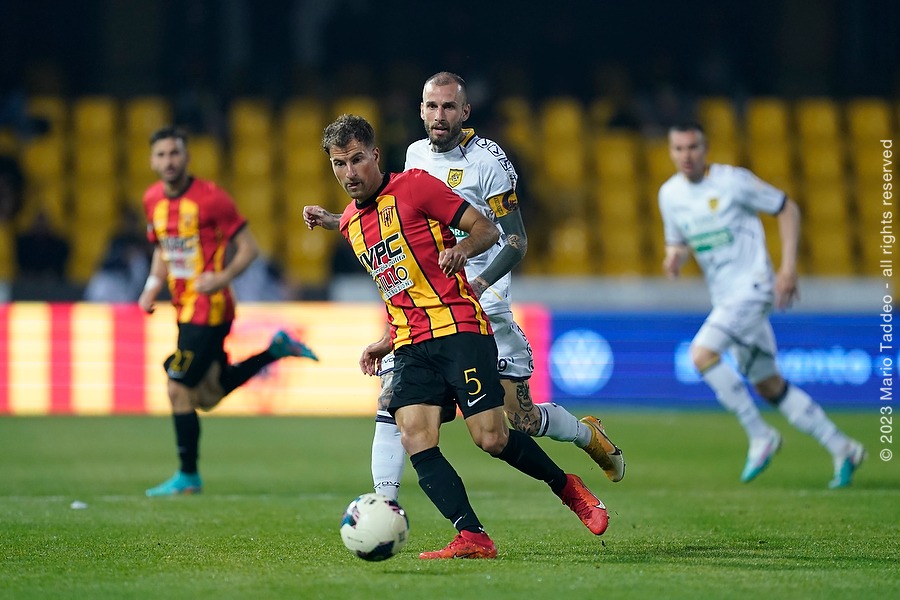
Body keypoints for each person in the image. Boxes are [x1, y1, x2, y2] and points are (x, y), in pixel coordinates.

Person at [304, 72, 624, 503]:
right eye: (432, 107)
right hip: (431, 307)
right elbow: (393, 214)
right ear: (421, 111)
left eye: (449, 107)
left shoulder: (488, 163)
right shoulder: (415, 155)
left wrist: (478, 283)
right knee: (395, 402)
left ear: (465, 112)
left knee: (522, 421)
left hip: (483, 306)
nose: (440, 116)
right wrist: (333, 220)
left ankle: (587, 436)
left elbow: (516, 241)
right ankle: (384, 505)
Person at [659, 122, 865, 489]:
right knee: (770, 385)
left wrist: (788, 268)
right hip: (725, 298)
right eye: (678, 148)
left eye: (692, 147)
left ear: (705, 149)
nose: (686, 155)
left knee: (701, 354)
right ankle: (843, 447)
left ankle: (760, 435)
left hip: (754, 286)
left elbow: (787, 208)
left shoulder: (733, 182)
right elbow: (677, 242)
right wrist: (674, 257)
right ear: (670, 151)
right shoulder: (669, 194)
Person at [139, 126, 318, 497]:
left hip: (211, 309)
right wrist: (152, 286)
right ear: (152, 160)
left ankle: (188, 476)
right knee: (208, 395)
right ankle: (276, 349)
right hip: (183, 309)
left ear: (186, 157)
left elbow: (249, 248)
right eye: (161, 155)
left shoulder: (211, 199)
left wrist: (221, 278)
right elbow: (162, 248)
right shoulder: (152, 200)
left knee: (177, 387)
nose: (169, 161)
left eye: (174, 153)